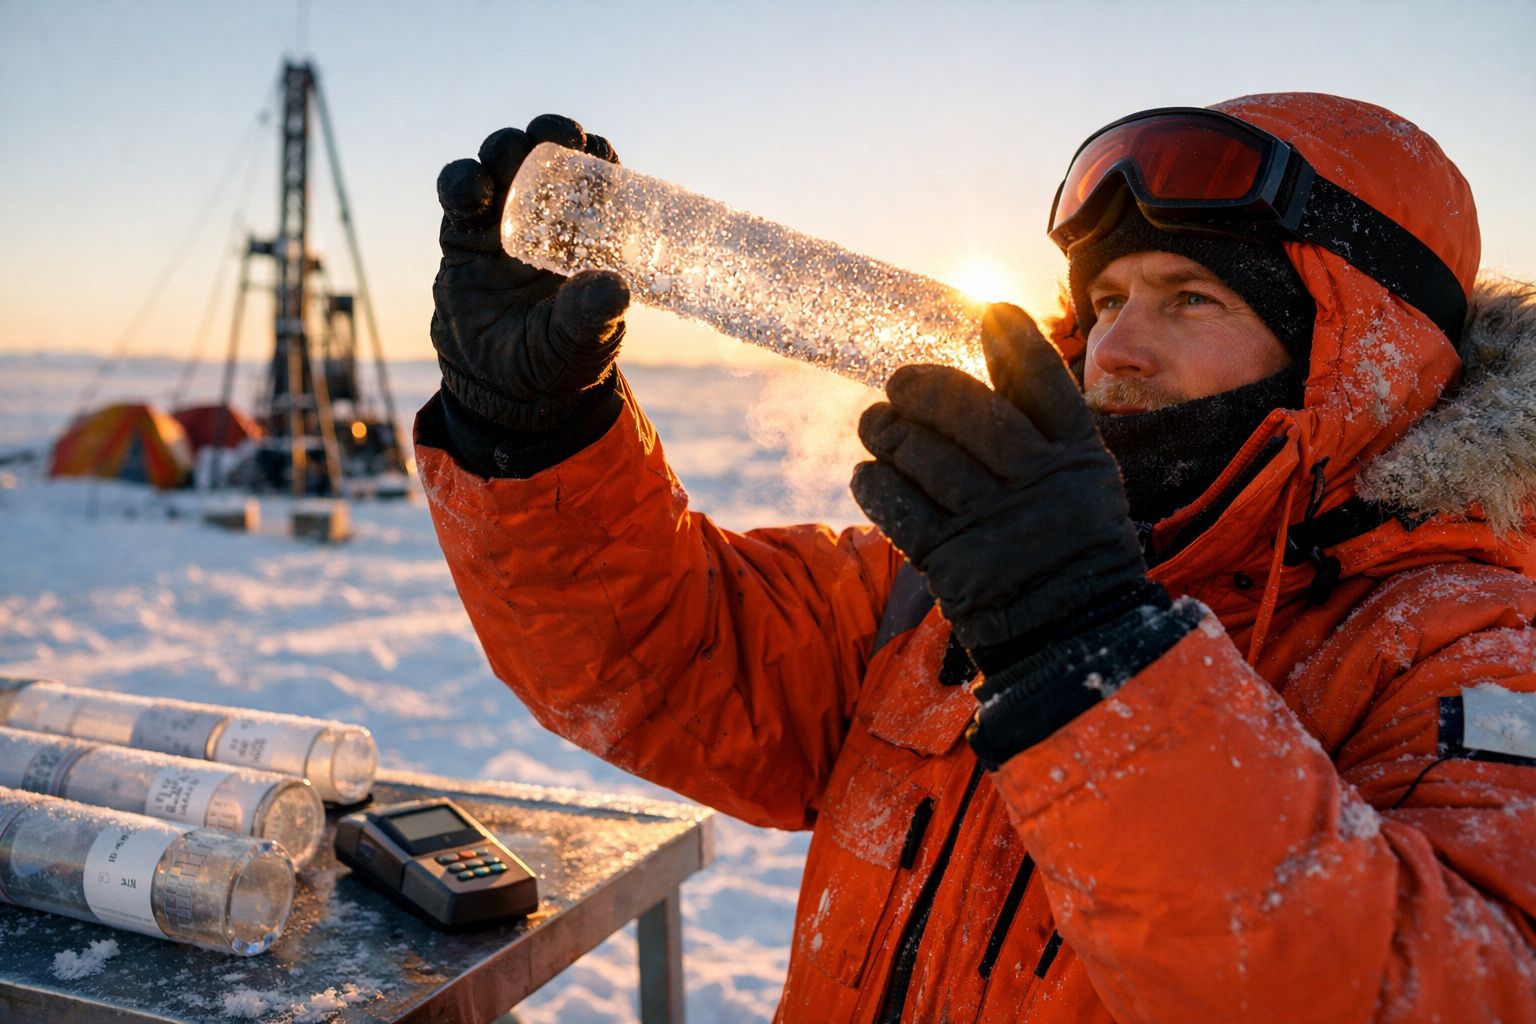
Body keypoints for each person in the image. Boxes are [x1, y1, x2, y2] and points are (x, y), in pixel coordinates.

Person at [417, 94, 1536, 1022]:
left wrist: (1094, 653)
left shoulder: (1469, 651)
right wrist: (534, 436)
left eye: (1189, 298)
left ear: (1357, 356)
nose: (1116, 350)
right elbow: (672, 661)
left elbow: (1445, 989)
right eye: (1104, 299)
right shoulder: (973, 570)